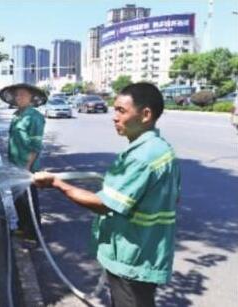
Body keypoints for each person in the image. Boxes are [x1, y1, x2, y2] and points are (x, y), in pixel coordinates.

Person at [34, 82, 181, 307]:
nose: (114, 117)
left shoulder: (142, 157)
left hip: (133, 256)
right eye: (115, 110)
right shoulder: (161, 149)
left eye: (121, 110)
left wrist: (57, 183)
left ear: (145, 115)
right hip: (145, 251)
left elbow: (104, 204)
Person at [0, 83, 47, 240]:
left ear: (31, 98)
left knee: (29, 201)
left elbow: (35, 146)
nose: (19, 97)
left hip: (27, 167)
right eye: (17, 95)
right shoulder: (16, 115)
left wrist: (26, 168)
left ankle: (33, 234)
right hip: (14, 165)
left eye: (23, 95)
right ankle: (22, 226)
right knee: (18, 199)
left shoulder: (35, 117)